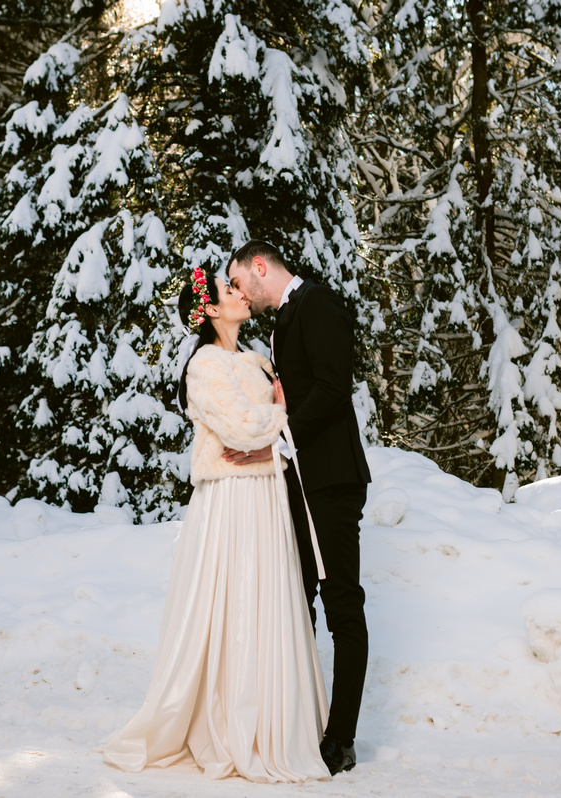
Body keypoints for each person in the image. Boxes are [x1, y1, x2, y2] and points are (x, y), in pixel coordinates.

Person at [100, 266, 330, 783]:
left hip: (265, 493)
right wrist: (279, 416)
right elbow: (239, 428)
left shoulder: (255, 359)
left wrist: (271, 424)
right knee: (234, 598)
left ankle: (272, 718)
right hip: (231, 497)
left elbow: (258, 431)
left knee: (267, 597)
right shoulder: (204, 364)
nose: (241, 294)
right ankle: (229, 721)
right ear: (208, 310)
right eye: (230, 290)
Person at [225, 241, 371, 775]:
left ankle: (341, 738)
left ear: (259, 267)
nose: (240, 293)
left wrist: (280, 438)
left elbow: (333, 388)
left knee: (342, 606)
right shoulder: (283, 321)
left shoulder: (319, 303)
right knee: (296, 602)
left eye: (239, 282)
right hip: (300, 484)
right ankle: (298, 723)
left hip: (330, 481)